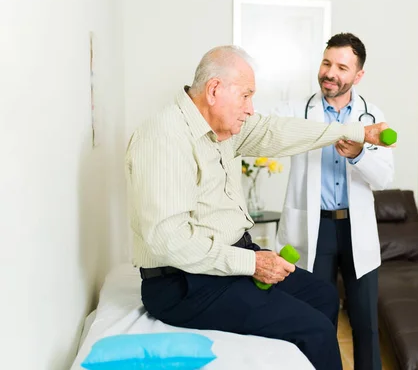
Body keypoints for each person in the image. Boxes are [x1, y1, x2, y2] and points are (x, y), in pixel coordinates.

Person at [124, 45, 394, 370]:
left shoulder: (224, 130)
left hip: (225, 267)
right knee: (316, 330)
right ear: (214, 90)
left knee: (323, 295)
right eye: (246, 96)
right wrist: (251, 263)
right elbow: (169, 241)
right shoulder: (164, 138)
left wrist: (357, 131)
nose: (251, 108)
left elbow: (276, 131)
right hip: (185, 282)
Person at [270, 33, 394, 370]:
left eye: (341, 67)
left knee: (366, 323)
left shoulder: (373, 117)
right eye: (326, 63)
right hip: (315, 227)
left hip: (356, 227)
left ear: (358, 75)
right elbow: (269, 135)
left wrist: (358, 155)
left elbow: (384, 178)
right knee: (316, 318)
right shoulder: (296, 111)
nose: (330, 73)